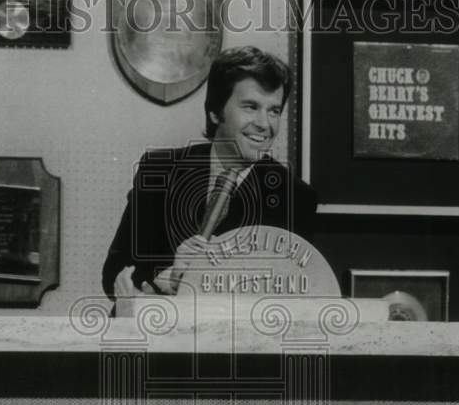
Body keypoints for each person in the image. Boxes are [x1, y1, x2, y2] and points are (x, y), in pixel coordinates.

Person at [102, 46, 317, 309]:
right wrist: (164, 278)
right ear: (215, 111)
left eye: (274, 111)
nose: (265, 123)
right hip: (160, 342)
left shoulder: (296, 198)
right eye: (251, 107)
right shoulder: (160, 171)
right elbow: (114, 272)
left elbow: (294, 297)